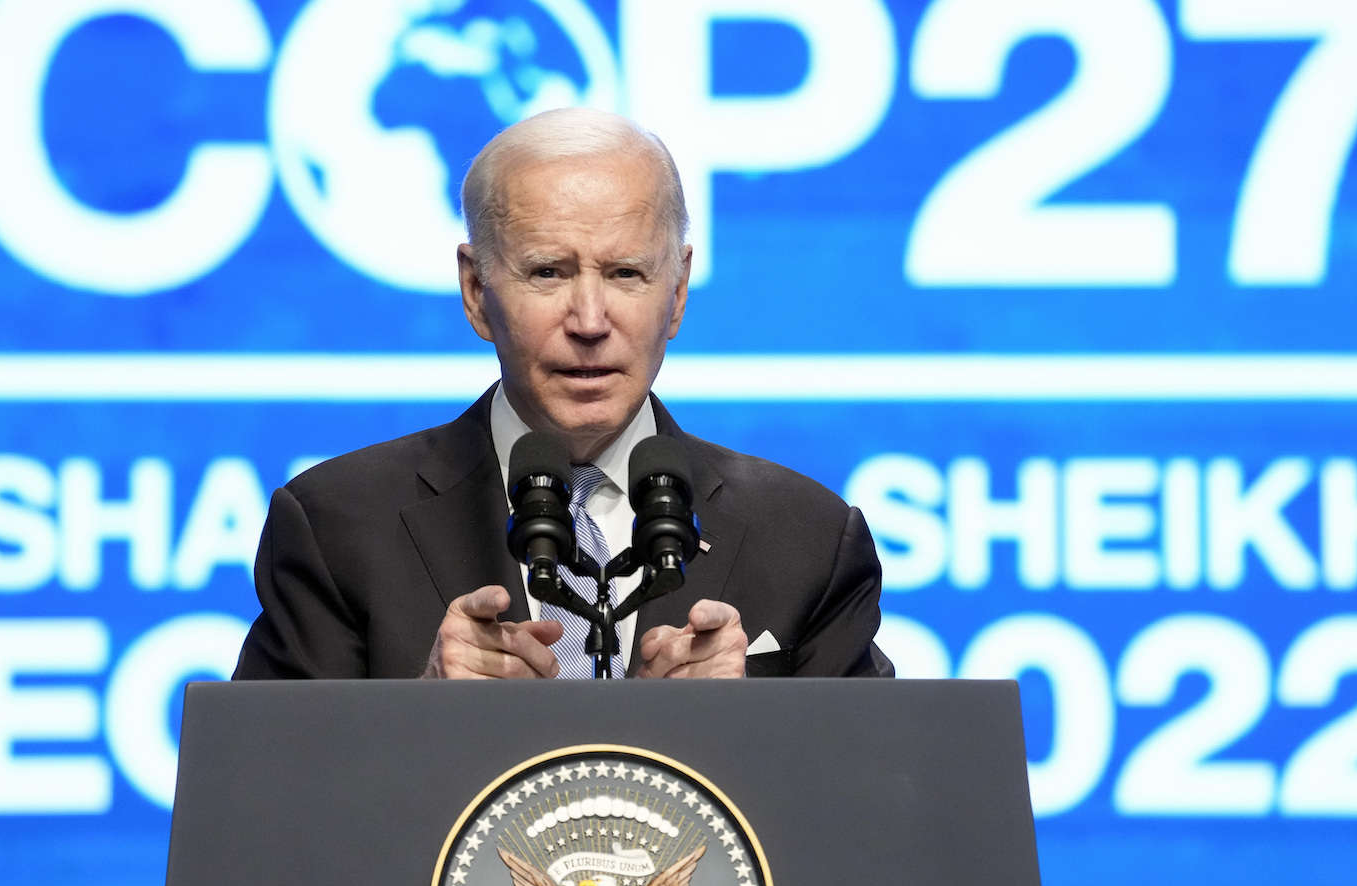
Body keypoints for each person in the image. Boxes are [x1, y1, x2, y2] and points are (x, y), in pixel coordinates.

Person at [233, 108, 891, 681]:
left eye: (626, 273)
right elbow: (260, 806)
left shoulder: (808, 540)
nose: (589, 321)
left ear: (678, 293)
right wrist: (422, 709)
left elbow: (876, 805)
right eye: (548, 272)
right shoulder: (336, 528)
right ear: (475, 291)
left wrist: (735, 732)